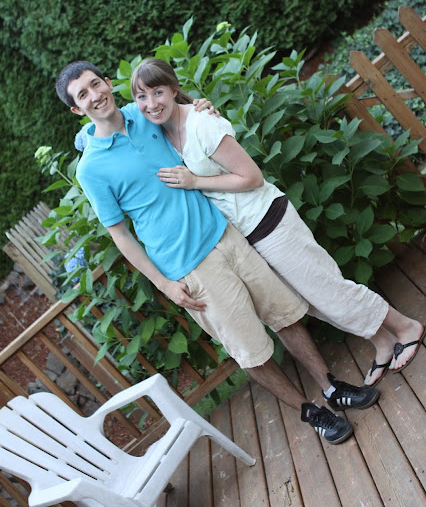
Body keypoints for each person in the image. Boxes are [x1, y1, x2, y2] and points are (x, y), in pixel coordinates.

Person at [56, 60, 381, 447]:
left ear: (108, 83)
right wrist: (164, 284)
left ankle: (331, 387)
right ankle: (311, 412)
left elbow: (182, 115)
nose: (95, 95)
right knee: (251, 350)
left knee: (285, 315)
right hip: (189, 267)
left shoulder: (143, 111)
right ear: (76, 109)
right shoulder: (91, 169)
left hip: (225, 234)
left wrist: (201, 105)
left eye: (96, 84)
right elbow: (120, 236)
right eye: (83, 95)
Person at [130, 58, 425, 387]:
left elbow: (251, 177)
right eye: (142, 96)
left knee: (327, 289)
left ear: (173, 89)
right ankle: (383, 341)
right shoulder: (161, 133)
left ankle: (405, 327)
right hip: (242, 236)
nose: (151, 103)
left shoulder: (201, 124)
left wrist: (195, 181)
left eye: (158, 92)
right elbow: (110, 124)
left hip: (267, 221)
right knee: (311, 303)